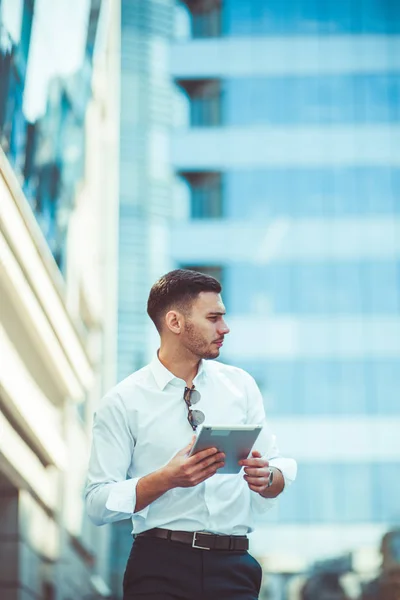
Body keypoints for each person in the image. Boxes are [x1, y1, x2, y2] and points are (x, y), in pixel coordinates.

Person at [85, 269, 297, 600]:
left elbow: (276, 468)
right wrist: (166, 479)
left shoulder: (240, 386)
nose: (224, 328)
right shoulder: (122, 401)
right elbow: (97, 503)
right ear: (175, 322)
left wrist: (267, 476)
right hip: (158, 567)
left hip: (235, 567)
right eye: (213, 318)